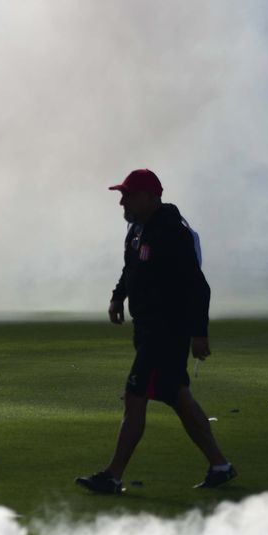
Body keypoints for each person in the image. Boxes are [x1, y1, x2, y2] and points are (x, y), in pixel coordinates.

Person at [76, 168, 236, 493]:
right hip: (148, 330)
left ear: (151, 197)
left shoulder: (171, 232)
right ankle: (220, 464)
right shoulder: (137, 230)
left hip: (166, 331)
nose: (122, 202)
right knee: (178, 396)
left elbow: (197, 286)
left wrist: (199, 332)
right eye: (122, 195)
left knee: (135, 396)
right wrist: (117, 297)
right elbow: (131, 269)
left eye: (128, 195)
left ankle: (113, 475)